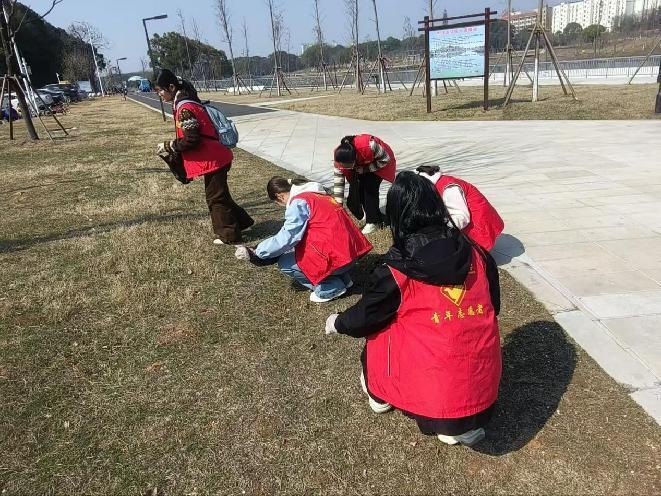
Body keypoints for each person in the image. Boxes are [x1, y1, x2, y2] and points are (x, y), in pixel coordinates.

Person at [324, 171, 502, 446]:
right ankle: (459, 428)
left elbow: (365, 318)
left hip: (434, 401)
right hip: (481, 396)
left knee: (380, 332)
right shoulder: (478, 254)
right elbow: (494, 306)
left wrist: (338, 322)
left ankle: (379, 395)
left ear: (397, 214)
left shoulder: (396, 269)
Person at [154, 69, 253, 245]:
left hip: (213, 159)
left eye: (160, 90)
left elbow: (192, 139)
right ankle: (242, 222)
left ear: (171, 87)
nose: (159, 94)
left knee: (216, 198)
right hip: (216, 156)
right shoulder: (187, 102)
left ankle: (229, 235)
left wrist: (169, 145)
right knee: (220, 195)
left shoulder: (185, 108)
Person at [235, 176, 373, 303]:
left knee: (285, 262)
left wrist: (258, 251)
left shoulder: (299, 202)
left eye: (278, 203)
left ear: (279, 196)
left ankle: (330, 287)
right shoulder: (319, 195)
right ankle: (343, 279)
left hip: (338, 259)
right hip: (352, 253)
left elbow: (288, 237)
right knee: (300, 251)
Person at [416, 165, 504, 251]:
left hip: (477, 223)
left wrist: (438, 232)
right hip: (467, 217)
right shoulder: (433, 184)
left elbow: (461, 217)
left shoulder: (449, 188)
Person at [333, 134, 396, 234]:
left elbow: (385, 159)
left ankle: (373, 222)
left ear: (355, 157)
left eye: (349, 166)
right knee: (359, 190)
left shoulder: (370, 145)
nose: (347, 168)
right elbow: (338, 185)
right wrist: (338, 207)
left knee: (369, 188)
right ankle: (373, 215)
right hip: (362, 165)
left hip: (380, 161)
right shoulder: (339, 159)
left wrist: (366, 169)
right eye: (344, 167)